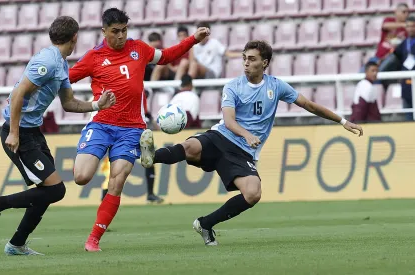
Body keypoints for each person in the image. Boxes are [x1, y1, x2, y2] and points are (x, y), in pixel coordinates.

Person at [139, 40, 364, 246]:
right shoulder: (233, 86)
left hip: (243, 153)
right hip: (220, 137)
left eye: (252, 59)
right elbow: (228, 120)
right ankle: (151, 157)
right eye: (244, 58)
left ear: (264, 63)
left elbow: (309, 105)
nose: (246, 63)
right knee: (191, 147)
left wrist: (342, 121)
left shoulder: (276, 87)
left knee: (253, 193)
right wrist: (246, 133)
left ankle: (206, 224)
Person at [68, 8, 210, 252]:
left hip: (132, 128)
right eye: (115, 32)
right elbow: (65, 79)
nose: (121, 36)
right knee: (81, 177)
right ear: (104, 32)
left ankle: (93, 240)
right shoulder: (93, 57)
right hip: (101, 124)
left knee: (117, 180)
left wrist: (192, 40)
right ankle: (146, 154)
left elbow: (166, 56)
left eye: (124, 30)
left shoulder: (139, 49)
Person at [0, 16, 116, 256]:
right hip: (20, 133)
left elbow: (69, 103)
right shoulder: (48, 62)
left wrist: (97, 105)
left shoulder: (60, 64)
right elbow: (19, 93)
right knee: (55, 190)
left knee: (46, 192)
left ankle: (17, 244)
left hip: (33, 132)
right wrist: (13, 132)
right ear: (75, 37)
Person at [392, 15, 415, 120]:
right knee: (408, 114)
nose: (410, 29)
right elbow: (398, 59)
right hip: (406, 84)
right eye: (408, 26)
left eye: (413, 26)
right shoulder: (404, 43)